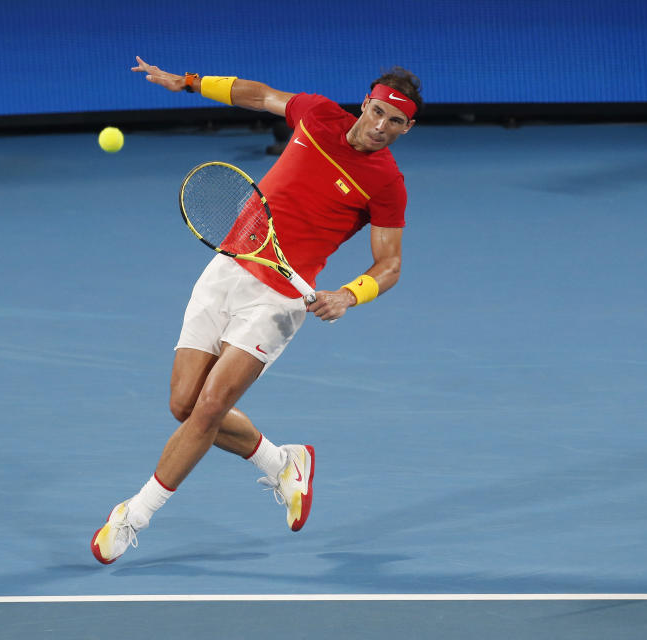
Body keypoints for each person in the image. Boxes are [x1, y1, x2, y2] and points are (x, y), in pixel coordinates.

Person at [91, 56, 421, 564]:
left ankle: (134, 515)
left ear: (408, 126)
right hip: (229, 265)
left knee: (208, 409)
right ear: (366, 104)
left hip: (278, 301)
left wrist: (349, 294)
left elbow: (390, 264)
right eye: (378, 112)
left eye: (396, 121)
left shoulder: (386, 182)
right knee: (184, 403)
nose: (382, 127)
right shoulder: (316, 114)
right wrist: (189, 82)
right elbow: (258, 93)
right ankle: (283, 461)